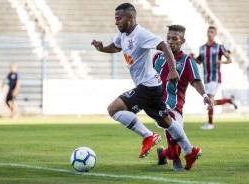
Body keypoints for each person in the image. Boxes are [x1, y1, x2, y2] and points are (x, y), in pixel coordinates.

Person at [91, 3, 202, 170]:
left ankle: (148, 136)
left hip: (148, 86)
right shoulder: (123, 35)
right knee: (167, 122)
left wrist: (172, 69)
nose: (116, 22)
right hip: (153, 86)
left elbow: (163, 46)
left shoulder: (141, 34)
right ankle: (190, 150)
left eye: (118, 18)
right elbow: (115, 47)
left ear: (130, 18)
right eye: (115, 19)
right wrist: (102, 48)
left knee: (113, 109)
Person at [153, 25, 213, 171]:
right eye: (168, 38)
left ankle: (163, 154)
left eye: (174, 38)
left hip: (177, 106)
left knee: (175, 140)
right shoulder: (157, 58)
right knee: (168, 119)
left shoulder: (187, 61)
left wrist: (204, 96)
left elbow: (196, 80)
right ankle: (177, 161)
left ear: (183, 41)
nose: (170, 41)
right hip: (158, 104)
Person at [194, 26, 237, 130]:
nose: (210, 34)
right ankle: (228, 100)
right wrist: (193, 58)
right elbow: (199, 61)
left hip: (215, 77)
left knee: (209, 99)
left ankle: (210, 123)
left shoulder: (220, 47)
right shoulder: (202, 48)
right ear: (206, 33)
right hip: (206, 78)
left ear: (215, 34)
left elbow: (229, 58)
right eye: (208, 32)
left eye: (212, 32)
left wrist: (221, 61)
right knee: (210, 101)